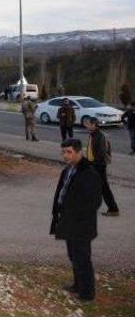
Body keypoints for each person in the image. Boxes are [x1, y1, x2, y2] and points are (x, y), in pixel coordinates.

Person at [50, 138, 102, 302]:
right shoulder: (68, 169)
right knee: (73, 256)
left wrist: (76, 216)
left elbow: (94, 202)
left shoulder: (89, 173)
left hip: (81, 225)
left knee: (82, 258)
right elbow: (62, 192)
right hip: (68, 221)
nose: (65, 155)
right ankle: (78, 285)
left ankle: (87, 294)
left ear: (79, 152)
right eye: (63, 152)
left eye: (69, 152)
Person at [85, 117, 119, 216]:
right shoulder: (93, 134)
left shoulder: (99, 136)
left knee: (104, 188)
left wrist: (93, 164)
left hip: (98, 165)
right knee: (98, 187)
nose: (87, 126)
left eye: (88, 124)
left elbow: (101, 153)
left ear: (94, 125)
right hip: (94, 164)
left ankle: (113, 209)